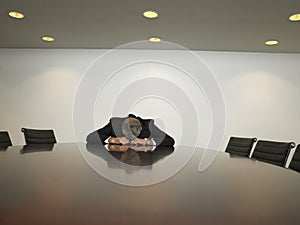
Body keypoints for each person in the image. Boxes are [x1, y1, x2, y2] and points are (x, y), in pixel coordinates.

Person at [86, 114, 175, 147]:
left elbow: (170, 141)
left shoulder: (148, 126)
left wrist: (147, 142)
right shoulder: (114, 124)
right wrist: (112, 139)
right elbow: (90, 138)